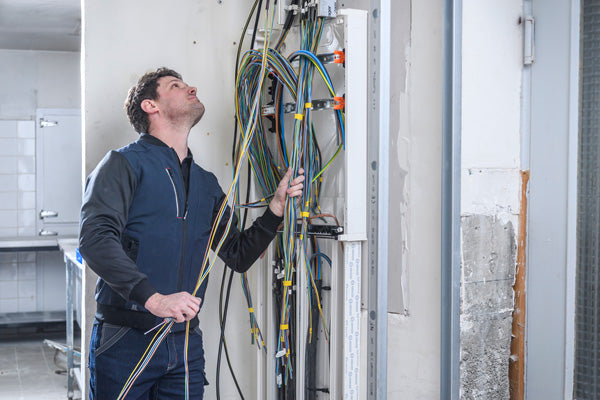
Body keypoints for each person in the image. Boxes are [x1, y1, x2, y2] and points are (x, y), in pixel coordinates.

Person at [79, 67, 304, 399]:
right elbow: (95, 239)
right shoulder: (122, 165)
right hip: (126, 339)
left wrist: (276, 209)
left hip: (184, 344)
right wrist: (153, 299)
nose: (191, 88)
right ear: (150, 105)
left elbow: (238, 255)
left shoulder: (205, 183)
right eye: (175, 85)